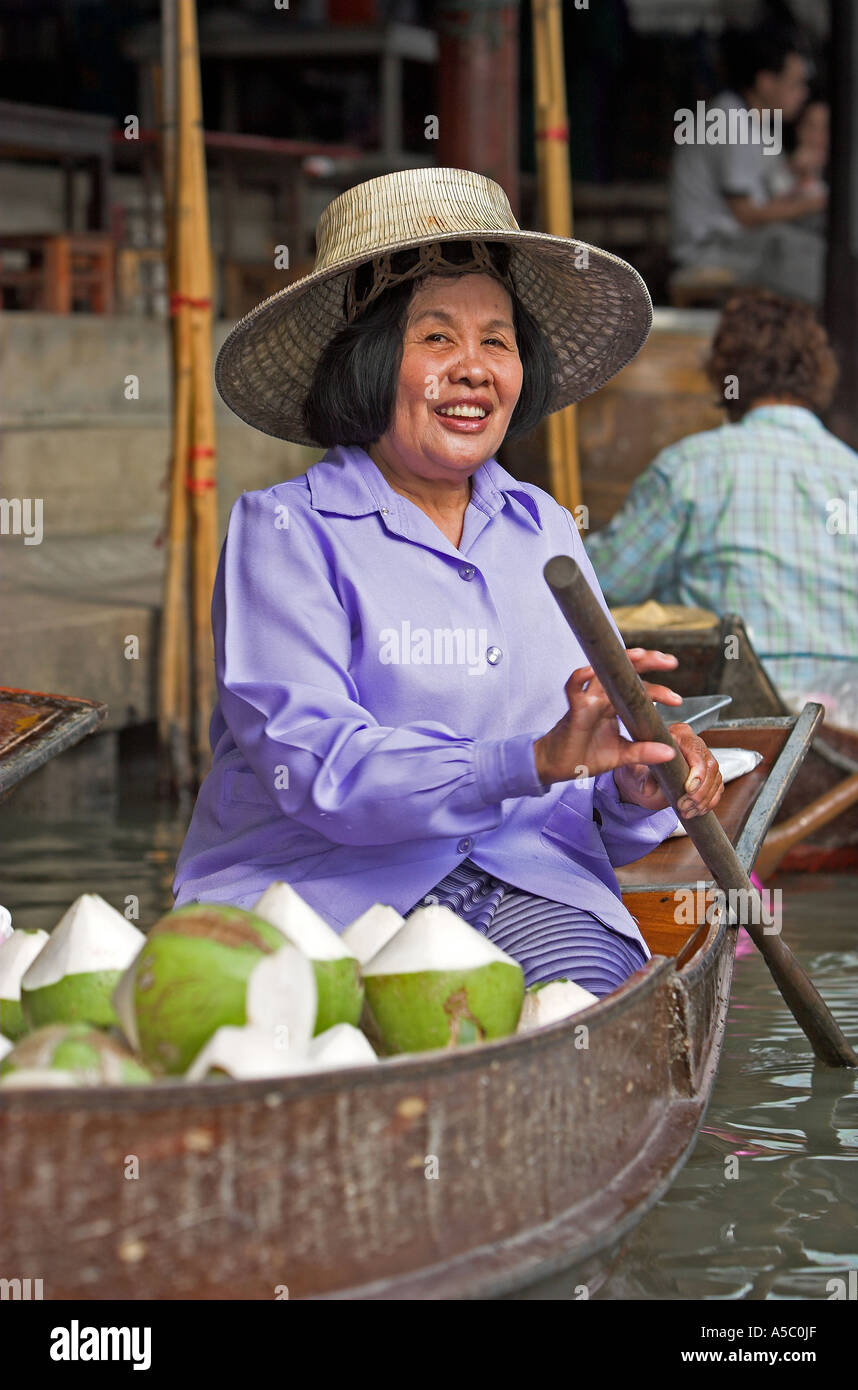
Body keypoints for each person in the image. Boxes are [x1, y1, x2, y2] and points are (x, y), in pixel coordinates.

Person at [172, 166, 723, 998]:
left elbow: (594, 812)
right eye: (436, 338)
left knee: (585, 1016)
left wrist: (635, 782)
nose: (473, 369)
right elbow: (320, 770)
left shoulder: (541, 524)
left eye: (495, 341)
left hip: (533, 889)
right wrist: (526, 760)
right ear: (368, 361)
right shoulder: (283, 529)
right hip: (324, 902)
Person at [584, 288, 858, 731]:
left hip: (746, 733)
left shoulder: (691, 468)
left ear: (725, 376)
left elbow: (601, 583)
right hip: (855, 738)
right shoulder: (857, 476)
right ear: (817, 376)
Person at [669, 25, 826, 304]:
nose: (801, 94)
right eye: (794, 84)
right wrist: (816, 203)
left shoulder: (755, 121)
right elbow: (746, 214)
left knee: (814, 232)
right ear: (766, 82)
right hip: (709, 249)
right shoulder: (730, 120)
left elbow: (767, 197)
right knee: (811, 254)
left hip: (738, 240)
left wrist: (796, 176)